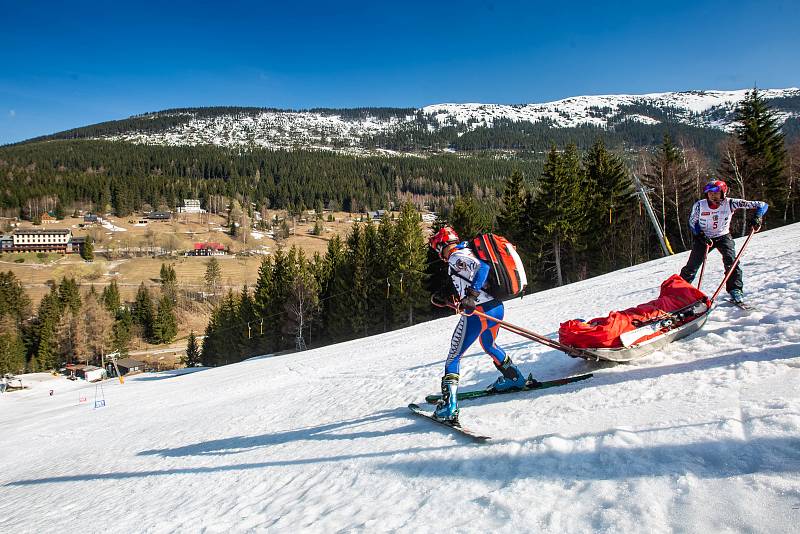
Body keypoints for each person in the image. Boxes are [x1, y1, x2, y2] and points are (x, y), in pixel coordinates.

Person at [428, 226, 527, 422]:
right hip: (495, 307)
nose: (439, 254)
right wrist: (459, 298)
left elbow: (483, 269)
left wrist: (471, 297)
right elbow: (474, 276)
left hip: (479, 312)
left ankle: (449, 407)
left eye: (437, 248)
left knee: (453, 357)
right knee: (489, 344)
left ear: (442, 246)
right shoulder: (466, 251)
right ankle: (514, 378)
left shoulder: (456, 256)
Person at [679, 180, 768, 303]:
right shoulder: (700, 205)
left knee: (731, 262)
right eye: (710, 193)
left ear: (723, 192)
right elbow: (692, 222)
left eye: (716, 193)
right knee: (692, 266)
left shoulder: (731, 203)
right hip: (704, 238)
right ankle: (678, 292)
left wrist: (758, 217)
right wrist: (699, 234)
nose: (712, 196)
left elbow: (762, 205)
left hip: (723, 236)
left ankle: (735, 290)